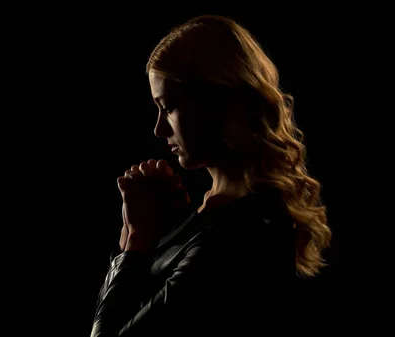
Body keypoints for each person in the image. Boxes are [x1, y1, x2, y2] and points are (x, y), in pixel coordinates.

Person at [90, 15, 332, 336]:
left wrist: (136, 236)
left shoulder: (240, 235)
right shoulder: (209, 213)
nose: (159, 129)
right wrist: (147, 231)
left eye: (170, 106)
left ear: (219, 103)